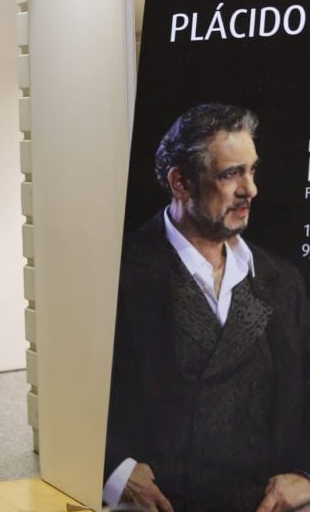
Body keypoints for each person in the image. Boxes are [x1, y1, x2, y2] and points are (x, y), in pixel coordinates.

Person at [103, 103, 310, 511]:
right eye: (232, 173)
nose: (250, 189)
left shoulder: (283, 281)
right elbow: (73, 387)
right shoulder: (118, 273)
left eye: (252, 170)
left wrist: (306, 475)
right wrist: (116, 472)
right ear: (180, 182)